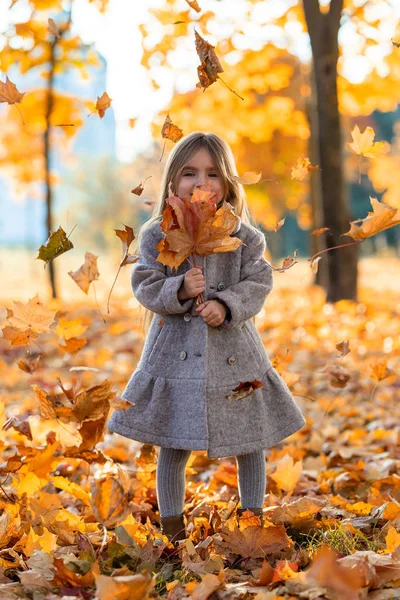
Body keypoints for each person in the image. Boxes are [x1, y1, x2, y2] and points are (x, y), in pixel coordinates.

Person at [107, 132, 306, 546]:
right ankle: (172, 527)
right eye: (190, 173)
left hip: (234, 352)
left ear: (228, 182)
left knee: (248, 438)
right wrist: (178, 290)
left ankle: (252, 519)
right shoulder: (156, 234)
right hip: (174, 354)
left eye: (213, 173)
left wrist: (227, 304)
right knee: (173, 442)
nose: (203, 183)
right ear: (172, 182)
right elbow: (143, 280)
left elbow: (259, 280)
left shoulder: (244, 236)